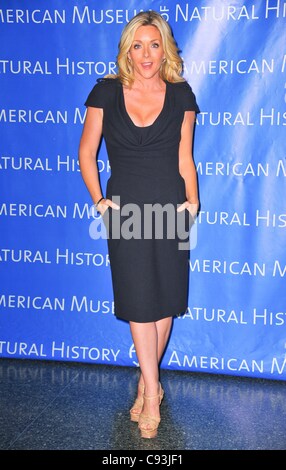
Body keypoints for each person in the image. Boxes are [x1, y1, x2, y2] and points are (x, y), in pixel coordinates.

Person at [79, 10, 199, 439]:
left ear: (163, 47)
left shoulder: (182, 95)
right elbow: (86, 153)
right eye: (137, 45)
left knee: (164, 299)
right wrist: (100, 203)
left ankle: (147, 382)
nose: (146, 54)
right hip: (126, 210)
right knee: (137, 300)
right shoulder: (105, 92)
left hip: (170, 207)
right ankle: (152, 393)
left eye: (153, 44)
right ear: (126, 49)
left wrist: (193, 202)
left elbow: (186, 156)